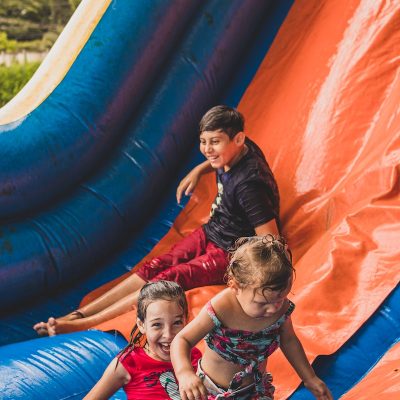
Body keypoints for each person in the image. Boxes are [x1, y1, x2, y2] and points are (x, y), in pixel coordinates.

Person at [33, 105, 281, 336]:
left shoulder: (249, 186)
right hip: (214, 229)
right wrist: (199, 169)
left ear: (237, 139)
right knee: (155, 265)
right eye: (203, 142)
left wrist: (248, 275)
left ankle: (84, 324)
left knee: (168, 278)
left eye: (214, 142)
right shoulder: (237, 148)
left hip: (229, 251)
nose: (207, 149)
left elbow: (271, 239)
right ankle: (79, 314)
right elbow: (217, 154)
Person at [170, 235, 333, 400]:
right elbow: (182, 340)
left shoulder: (280, 309)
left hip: (254, 391)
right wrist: (184, 374)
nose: (273, 308)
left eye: (281, 299)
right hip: (212, 391)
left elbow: (289, 340)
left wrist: (309, 378)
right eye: (262, 303)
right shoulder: (222, 307)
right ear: (235, 286)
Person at [83, 280, 201, 400]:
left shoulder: (193, 355)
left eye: (177, 323)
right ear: (141, 325)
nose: (168, 334)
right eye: (157, 324)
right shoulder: (129, 362)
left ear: (186, 320)